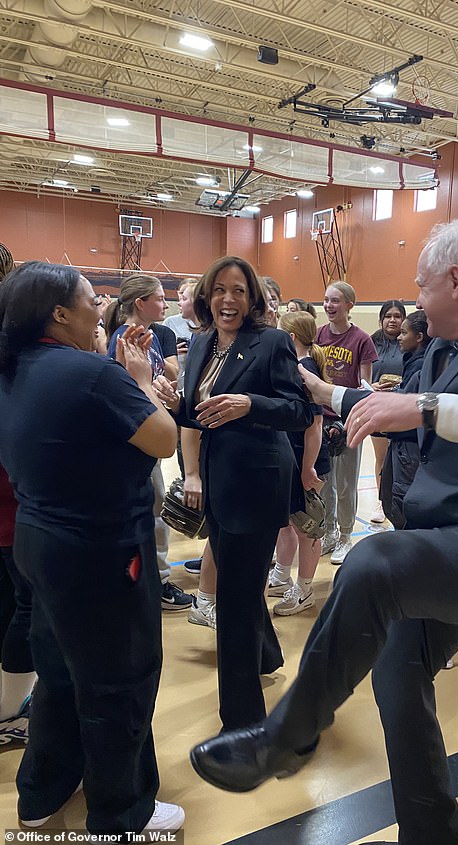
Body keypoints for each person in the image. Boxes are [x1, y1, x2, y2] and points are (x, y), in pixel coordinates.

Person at [188, 220, 458, 845]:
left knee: (372, 563)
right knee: (397, 672)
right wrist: (330, 393)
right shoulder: (442, 348)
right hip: (452, 546)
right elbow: (406, 415)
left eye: (422, 283)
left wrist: (424, 406)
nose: (416, 296)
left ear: (456, 280)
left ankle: (285, 737)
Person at [0, 262, 183, 833]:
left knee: (57, 672)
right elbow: (163, 437)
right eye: (91, 300)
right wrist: (135, 379)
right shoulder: (87, 373)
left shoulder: (13, 367)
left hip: (37, 540)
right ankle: (122, 812)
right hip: (98, 550)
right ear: (60, 314)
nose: (101, 308)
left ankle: (41, 794)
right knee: (119, 680)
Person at [154, 256, 312, 730]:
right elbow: (199, 415)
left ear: (252, 299)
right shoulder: (200, 344)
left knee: (236, 600)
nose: (229, 299)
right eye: (220, 289)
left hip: (258, 485)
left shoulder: (273, 343)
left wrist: (251, 404)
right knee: (239, 585)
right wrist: (170, 400)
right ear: (206, 296)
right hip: (219, 484)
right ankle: (265, 655)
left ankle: (241, 721)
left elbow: (299, 411)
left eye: (239, 291)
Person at [104, 275, 193, 612]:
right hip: (138, 441)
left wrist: (163, 394)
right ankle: (158, 583)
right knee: (152, 510)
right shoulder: (125, 340)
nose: (164, 303)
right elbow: (126, 395)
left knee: (153, 509)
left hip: (148, 433)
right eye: (158, 297)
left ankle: (151, 578)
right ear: (139, 303)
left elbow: (154, 382)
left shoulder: (149, 337)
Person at [269, 310, 331, 615]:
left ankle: (305, 589)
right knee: (287, 524)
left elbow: (315, 425)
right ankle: (281, 575)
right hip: (291, 458)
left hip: (307, 461)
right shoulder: (295, 365)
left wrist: (308, 468)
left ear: (290, 338)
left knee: (308, 528)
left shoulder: (305, 370)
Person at [0, 242, 36, 746]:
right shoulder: (15, 349)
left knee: (11, 600)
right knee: (29, 606)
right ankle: (9, 710)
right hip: (16, 501)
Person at [317, 281, 377, 563]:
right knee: (325, 482)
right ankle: (328, 532)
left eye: (336, 301)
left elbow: (364, 386)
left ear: (349, 305)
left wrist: (348, 419)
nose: (329, 306)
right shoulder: (318, 335)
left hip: (348, 420)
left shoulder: (362, 339)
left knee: (345, 484)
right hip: (321, 420)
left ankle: (345, 536)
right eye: (326, 300)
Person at [378, 310, 430, 529]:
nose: (399, 337)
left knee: (402, 504)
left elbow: (414, 412)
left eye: (404, 332)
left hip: (409, 448)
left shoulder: (422, 366)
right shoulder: (412, 362)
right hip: (400, 445)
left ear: (419, 337)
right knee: (389, 499)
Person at [369, 300, 407, 523]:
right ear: (382, 319)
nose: (392, 320)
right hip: (378, 407)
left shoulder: (409, 340)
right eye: (388, 316)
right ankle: (382, 501)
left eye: (397, 316)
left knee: (401, 455)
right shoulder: (372, 341)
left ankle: (401, 500)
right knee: (381, 458)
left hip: (402, 408)